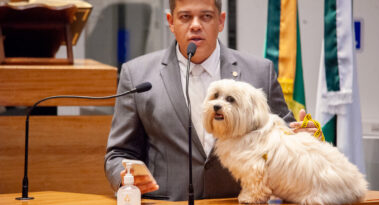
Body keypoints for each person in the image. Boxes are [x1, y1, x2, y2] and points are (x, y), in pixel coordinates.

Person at [105, 0, 319, 201]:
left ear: (221, 21)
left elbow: (287, 138)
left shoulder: (259, 73)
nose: (196, 25)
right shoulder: (137, 75)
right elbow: (118, 153)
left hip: (237, 201)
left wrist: (305, 136)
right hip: (169, 202)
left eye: (206, 16)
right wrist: (125, 174)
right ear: (170, 22)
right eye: (185, 17)